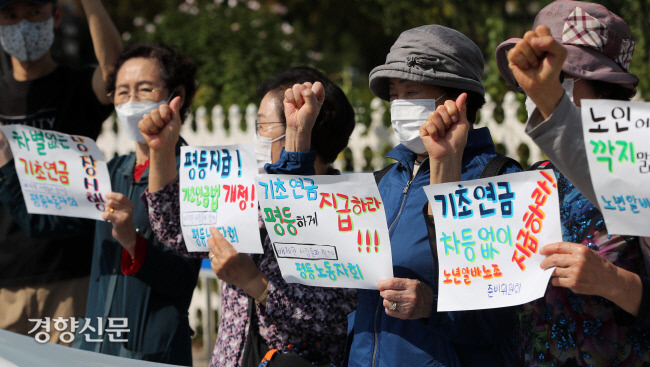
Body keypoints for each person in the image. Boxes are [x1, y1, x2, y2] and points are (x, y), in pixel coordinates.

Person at [140, 66, 358, 367]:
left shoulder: (345, 211)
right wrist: (161, 151)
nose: (256, 137)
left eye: (263, 126)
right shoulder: (251, 197)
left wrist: (255, 283)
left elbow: (332, 318)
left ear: (303, 124)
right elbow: (177, 231)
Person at [0, 43, 200, 365]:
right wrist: (5, 162)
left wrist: (132, 242)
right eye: (121, 92)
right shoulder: (109, 173)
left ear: (176, 95)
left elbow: (179, 280)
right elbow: (42, 224)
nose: (131, 101)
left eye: (144, 89)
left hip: (153, 353)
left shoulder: (195, 175)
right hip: (95, 349)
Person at [337, 25, 521, 367]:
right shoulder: (381, 183)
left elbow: (502, 319)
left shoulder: (497, 182)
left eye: (411, 91)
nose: (398, 105)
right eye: (393, 94)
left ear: (457, 99)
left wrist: (431, 305)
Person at [495, 1, 650, 364]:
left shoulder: (640, 164)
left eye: (557, 73)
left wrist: (613, 281)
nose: (536, 88)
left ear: (601, 84)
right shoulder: (533, 179)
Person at [0, 0, 121, 344]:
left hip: (73, 275)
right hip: (4, 283)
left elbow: (115, 74)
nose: (22, 25)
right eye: (10, 16)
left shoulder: (78, 86)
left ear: (54, 16)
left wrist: (91, 4)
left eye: (33, 13)